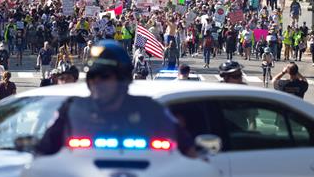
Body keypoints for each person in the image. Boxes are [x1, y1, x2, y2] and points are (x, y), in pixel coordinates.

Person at [35, 40, 196, 157]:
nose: (97, 82)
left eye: (104, 76)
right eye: (93, 75)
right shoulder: (72, 110)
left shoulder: (150, 110)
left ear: (122, 79)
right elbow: (42, 153)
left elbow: (190, 153)